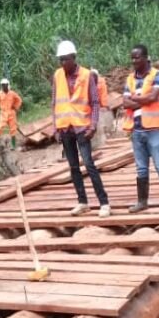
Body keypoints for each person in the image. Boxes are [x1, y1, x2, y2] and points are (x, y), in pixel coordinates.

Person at [52, 40, 110, 217]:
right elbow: (54, 102)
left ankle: (104, 202)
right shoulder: (57, 76)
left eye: (66, 59)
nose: (63, 63)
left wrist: (93, 125)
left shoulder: (86, 76)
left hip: (82, 127)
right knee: (73, 167)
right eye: (60, 59)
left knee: (89, 164)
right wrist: (55, 128)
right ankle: (82, 201)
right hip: (65, 128)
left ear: (74, 57)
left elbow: (94, 102)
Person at [122, 44, 159, 214]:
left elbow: (153, 97)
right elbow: (125, 102)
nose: (134, 60)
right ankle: (142, 201)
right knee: (141, 168)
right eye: (132, 57)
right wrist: (143, 99)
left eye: (137, 57)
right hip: (137, 130)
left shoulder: (156, 74)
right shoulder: (130, 79)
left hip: (153, 129)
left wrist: (136, 98)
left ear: (145, 58)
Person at [0, 78, 23, 149]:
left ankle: (13, 145)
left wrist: (15, 107)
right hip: (3, 113)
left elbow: (19, 100)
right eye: (2, 85)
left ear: (7, 85)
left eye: (5, 85)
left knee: (13, 129)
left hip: (11, 112)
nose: (3, 86)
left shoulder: (12, 93)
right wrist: (2, 108)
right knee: (0, 127)